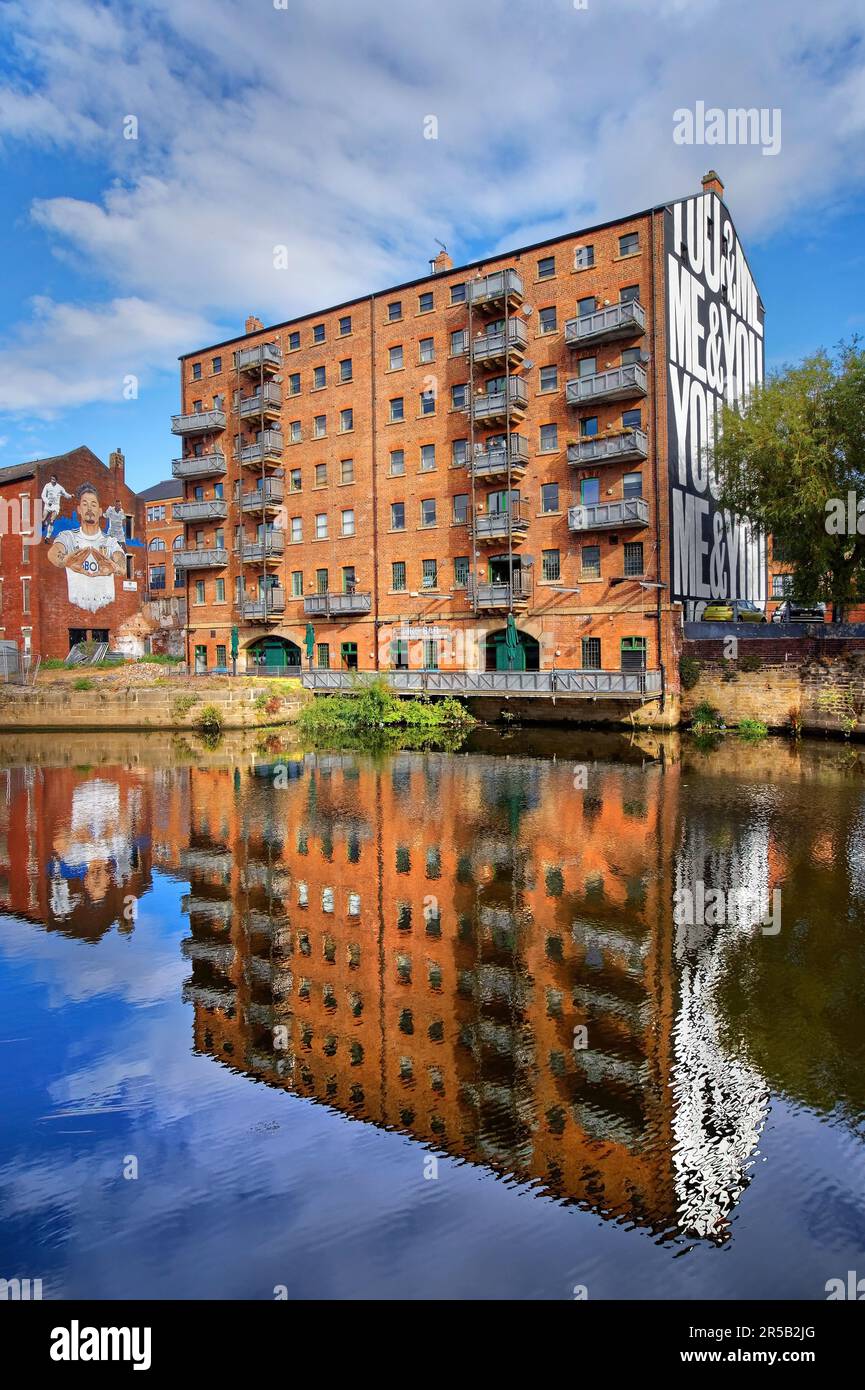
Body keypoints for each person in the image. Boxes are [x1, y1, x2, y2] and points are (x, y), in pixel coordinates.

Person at [47, 481, 127, 613]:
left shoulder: (110, 541)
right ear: (79, 509)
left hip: (105, 610)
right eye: (85, 504)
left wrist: (115, 567)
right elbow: (53, 553)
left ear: (100, 511)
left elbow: (122, 564)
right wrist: (65, 560)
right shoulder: (68, 537)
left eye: (93, 504)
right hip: (75, 610)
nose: (89, 508)